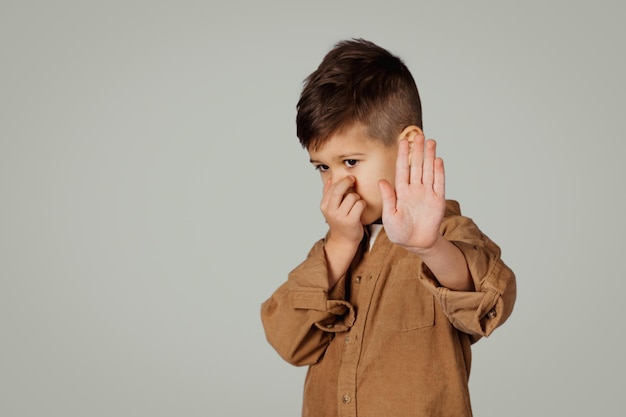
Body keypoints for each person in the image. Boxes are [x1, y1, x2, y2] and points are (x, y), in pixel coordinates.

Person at [260, 38, 516, 417]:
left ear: (407, 146)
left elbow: (491, 298)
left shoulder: (445, 235)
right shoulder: (331, 251)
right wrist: (339, 247)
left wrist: (429, 248)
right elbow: (288, 341)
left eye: (350, 161)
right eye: (322, 167)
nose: (335, 184)